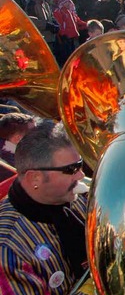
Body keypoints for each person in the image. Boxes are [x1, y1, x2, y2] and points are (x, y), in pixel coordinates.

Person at [0, 123, 88, 294]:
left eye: (80, 164)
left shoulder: (76, 198)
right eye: (71, 169)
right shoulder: (8, 250)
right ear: (35, 178)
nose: (81, 175)